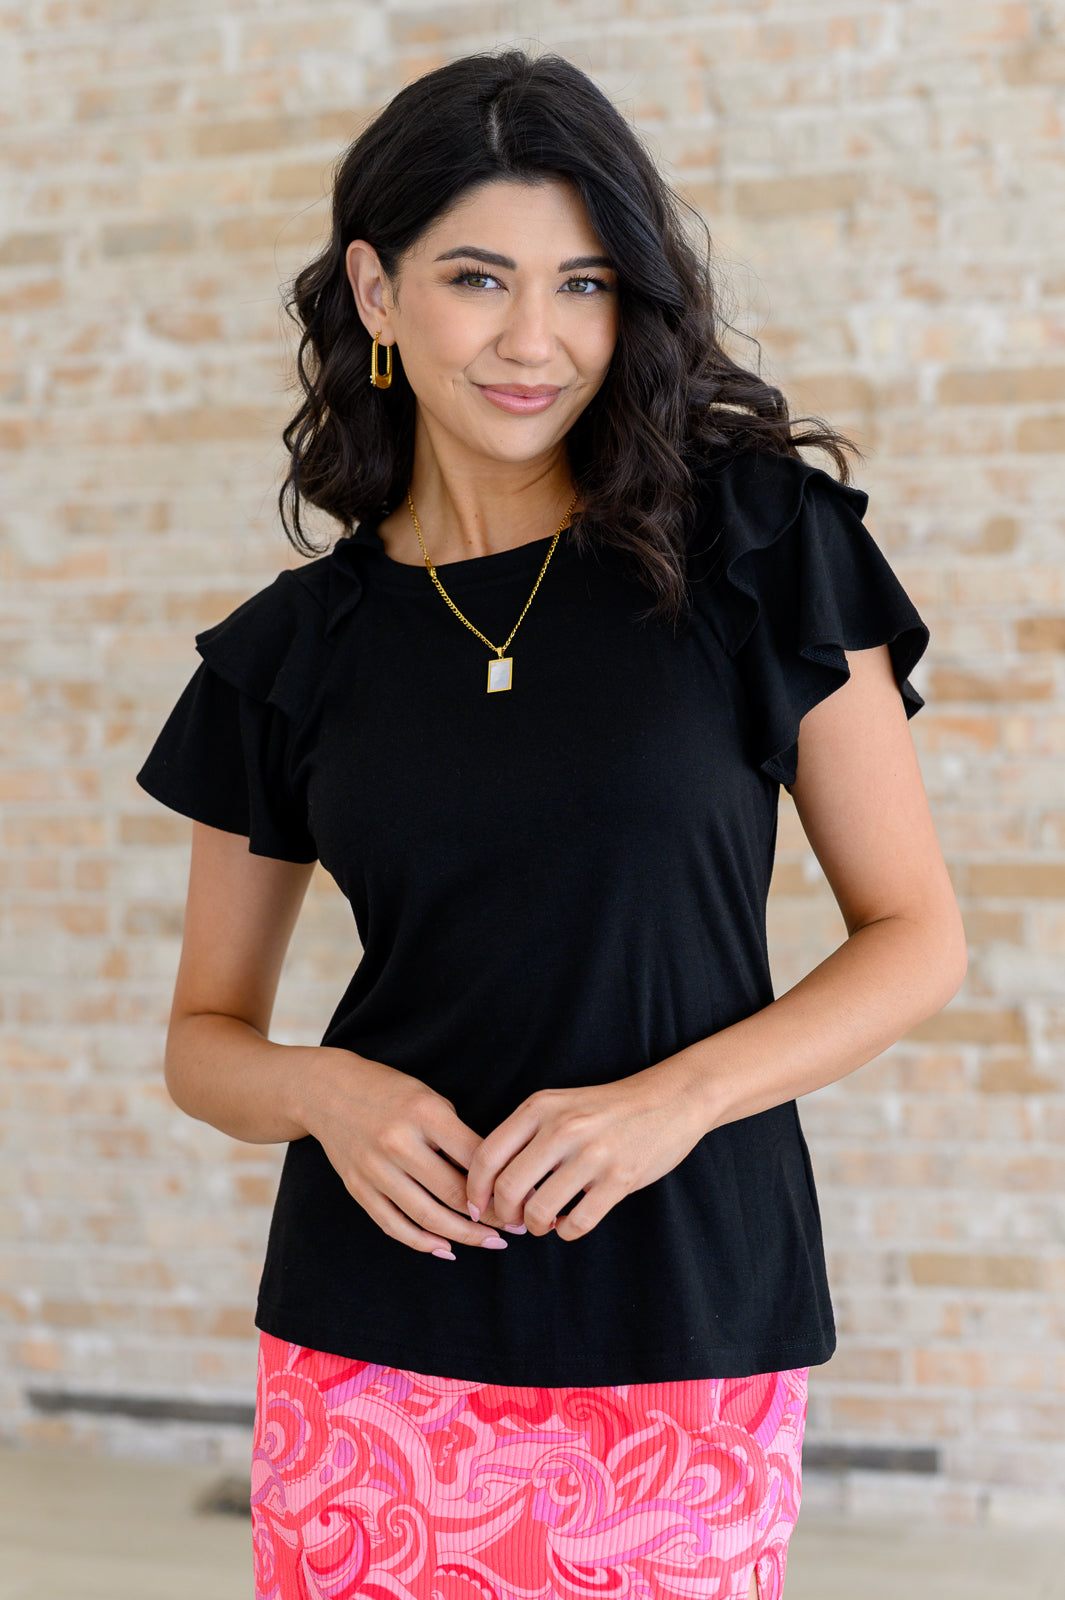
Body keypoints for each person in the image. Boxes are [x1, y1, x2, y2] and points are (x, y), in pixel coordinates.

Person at [135, 47, 967, 1600]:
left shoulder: (754, 548)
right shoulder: (296, 649)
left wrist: (668, 1102)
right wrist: (326, 1093)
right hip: (373, 1336)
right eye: (476, 278)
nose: (536, 340)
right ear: (376, 294)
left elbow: (915, 939)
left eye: (584, 284)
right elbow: (204, 1037)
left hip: (686, 1313)